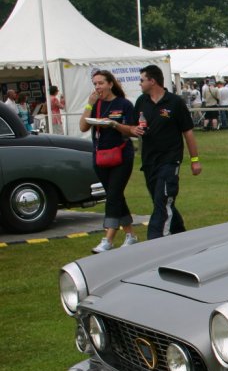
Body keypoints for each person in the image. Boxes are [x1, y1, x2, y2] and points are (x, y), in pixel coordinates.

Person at [129, 64, 201, 239]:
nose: (140, 84)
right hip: (149, 161)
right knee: (161, 201)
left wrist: (195, 160)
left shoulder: (175, 102)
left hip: (170, 160)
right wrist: (132, 130)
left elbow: (188, 133)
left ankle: (155, 241)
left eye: (142, 80)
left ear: (152, 81)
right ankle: (181, 236)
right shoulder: (141, 101)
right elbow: (132, 125)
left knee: (164, 200)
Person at [77, 70, 138, 252]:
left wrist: (114, 124)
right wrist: (89, 104)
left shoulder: (124, 104)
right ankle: (131, 235)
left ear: (110, 84)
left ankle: (108, 239)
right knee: (116, 194)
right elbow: (82, 126)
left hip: (121, 155)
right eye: (95, 84)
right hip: (101, 156)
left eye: (101, 83)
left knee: (112, 195)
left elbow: (132, 130)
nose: (97, 87)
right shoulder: (95, 104)